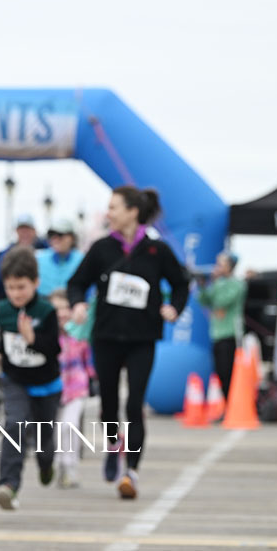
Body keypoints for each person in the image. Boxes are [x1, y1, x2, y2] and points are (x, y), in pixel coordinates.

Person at [67, 186, 188, 500]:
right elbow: (77, 282)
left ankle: (131, 471)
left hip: (142, 338)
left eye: (114, 207)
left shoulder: (156, 250)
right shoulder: (102, 248)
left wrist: (174, 308)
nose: (109, 213)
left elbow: (181, 284)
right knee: (108, 404)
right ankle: (113, 444)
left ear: (133, 211)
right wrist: (78, 304)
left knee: (135, 403)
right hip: (106, 337)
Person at [0, 247, 61, 511]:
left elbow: (54, 349)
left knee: (43, 440)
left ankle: (46, 464)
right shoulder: (3, 311)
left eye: (21, 287)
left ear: (35, 283)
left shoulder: (46, 311)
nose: (16, 294)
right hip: (15, 380)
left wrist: (32, 338)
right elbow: (4, 342)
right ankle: (7, 485)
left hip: (46, 385)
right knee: (14, 424)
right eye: (10, 288)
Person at [52, 288, 93, 489]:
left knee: (70, 425)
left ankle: (70, 465)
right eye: (57, 309)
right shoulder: (46, 334)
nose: (61, 313)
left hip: (76, 387)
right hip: (53, 387)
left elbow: (89, 358)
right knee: (55, 428)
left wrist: (93, 377)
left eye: (65, 308)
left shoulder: (80, 332)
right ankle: (59, 463)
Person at [196, 252, 246, 398]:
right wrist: (202, 286)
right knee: (219, 372)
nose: (217, 267)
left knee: (228, 372)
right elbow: (205, 301)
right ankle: (225, 403)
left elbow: (221, 301)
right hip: (216, 334)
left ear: (230, 266)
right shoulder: (218, 284)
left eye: (221, 264)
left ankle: (231, 403)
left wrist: (214, 282)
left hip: (230, 334)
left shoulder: (237, 284)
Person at [0, 214, 47, 320]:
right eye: (21, 230)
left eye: (28, 229)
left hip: (40, 310)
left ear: (35, 231)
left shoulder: (48, 252)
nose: (25, 233)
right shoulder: (5, 256)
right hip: (14, 312)